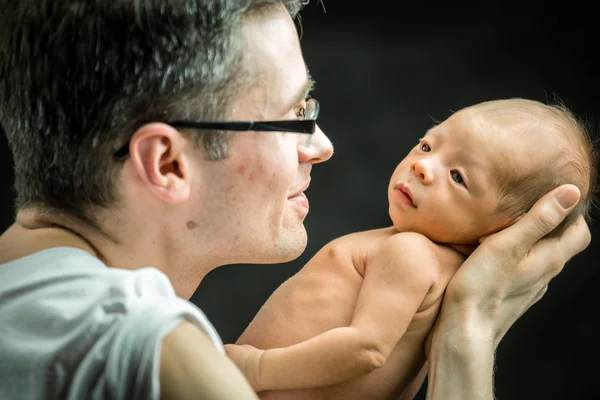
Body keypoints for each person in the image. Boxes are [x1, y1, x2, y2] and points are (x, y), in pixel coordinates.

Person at [0, 1, 591, 400]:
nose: (324, 146)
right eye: (293, 116)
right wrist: (470, 331)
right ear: (168, 163)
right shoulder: (168, 360)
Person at [224, 97, 598, 400]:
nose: (422, 166)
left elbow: (366, 350)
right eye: (427, 145)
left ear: (505, 229)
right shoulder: (446, 280)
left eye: (458, 177)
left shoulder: (411, 253)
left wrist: (256, 367)